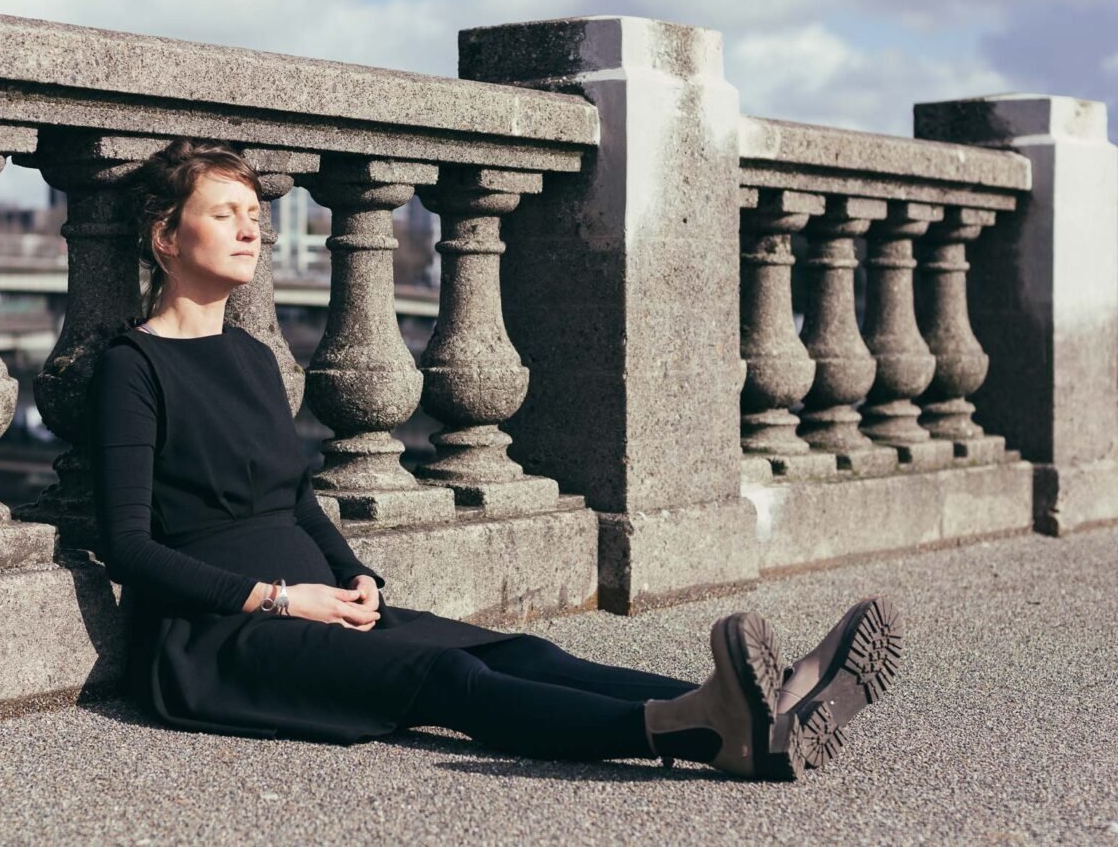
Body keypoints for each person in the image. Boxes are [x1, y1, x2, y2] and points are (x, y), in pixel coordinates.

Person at [87, 138, 904, 782]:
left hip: (320, 603)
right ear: (166, 235)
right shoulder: (134, 366)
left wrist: (353, 573)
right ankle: (705, 734)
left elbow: (295, 498)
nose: (251, 227)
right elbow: (131, 547)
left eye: (254, 213)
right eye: (225, 212)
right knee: (451, 683)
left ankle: (758, 705)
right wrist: (280, 600)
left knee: (517, 652)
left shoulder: (254, 357)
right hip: (220, 642)